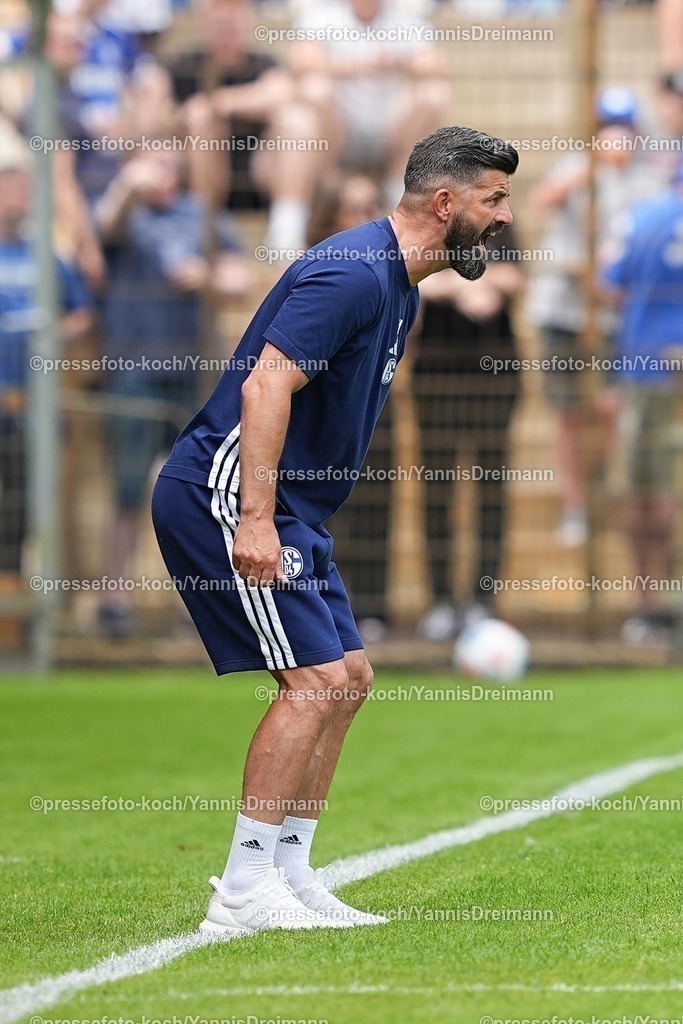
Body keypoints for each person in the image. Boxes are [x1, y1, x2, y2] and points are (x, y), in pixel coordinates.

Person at [152, 125, 518, 932]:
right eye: (493, 199)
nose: (503, 217)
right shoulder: (353, 273)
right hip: (231, 494)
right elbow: (263, 389)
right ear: (445, 201)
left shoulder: (403, 287)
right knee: (312, 686)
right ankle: (244, 892)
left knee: (347, 680)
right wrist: (253, 519)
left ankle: (288, 872)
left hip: (293, 511)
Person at [94, 147, 251, 637]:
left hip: (197, 372)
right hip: (134, 367)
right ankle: (113, 600)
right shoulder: (124, 212)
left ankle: (197, 604)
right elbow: (105, 230)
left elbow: (241, 278)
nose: (159, 176)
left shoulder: (202, 216)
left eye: (166, 166)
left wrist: (207, 276)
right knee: (127, 484)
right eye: (150, 166)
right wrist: (127, 188)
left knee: (200, 487)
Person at [527, 87, 666, 548]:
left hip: (613, 316)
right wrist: (589, 167)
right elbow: (540, 202)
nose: (617, 136)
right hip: (564, 309)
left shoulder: (647, 179)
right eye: (609, 126)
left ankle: (609, 495)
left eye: (624, 127)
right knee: (567, 414)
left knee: (611, 409)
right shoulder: (575, 165)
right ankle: (574, 508)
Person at [414, 225, 525, 641]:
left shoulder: (503, 226)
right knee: (437, 492)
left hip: (497, 378)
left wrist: (463, 280)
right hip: (436, 377)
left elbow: (516, 277)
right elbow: (414, 276)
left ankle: (483, 601)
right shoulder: (434, 226)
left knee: (491, 492)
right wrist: (467, 285)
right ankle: (441, 600)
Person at [601, 162, 683, 645]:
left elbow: (610, 281)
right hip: (660, 371)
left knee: (642, 488)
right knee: (665, 490)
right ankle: (666, 601)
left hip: (644, 370)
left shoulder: (641, 216)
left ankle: (647, 604)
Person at [0, 165, 93, 574]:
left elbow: (83, 311)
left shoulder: (45, 253)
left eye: (27, 190)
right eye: (13, 190)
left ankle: (14, 598)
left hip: (30, 403)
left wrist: (52, 334)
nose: (21, 198)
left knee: (20, 505)